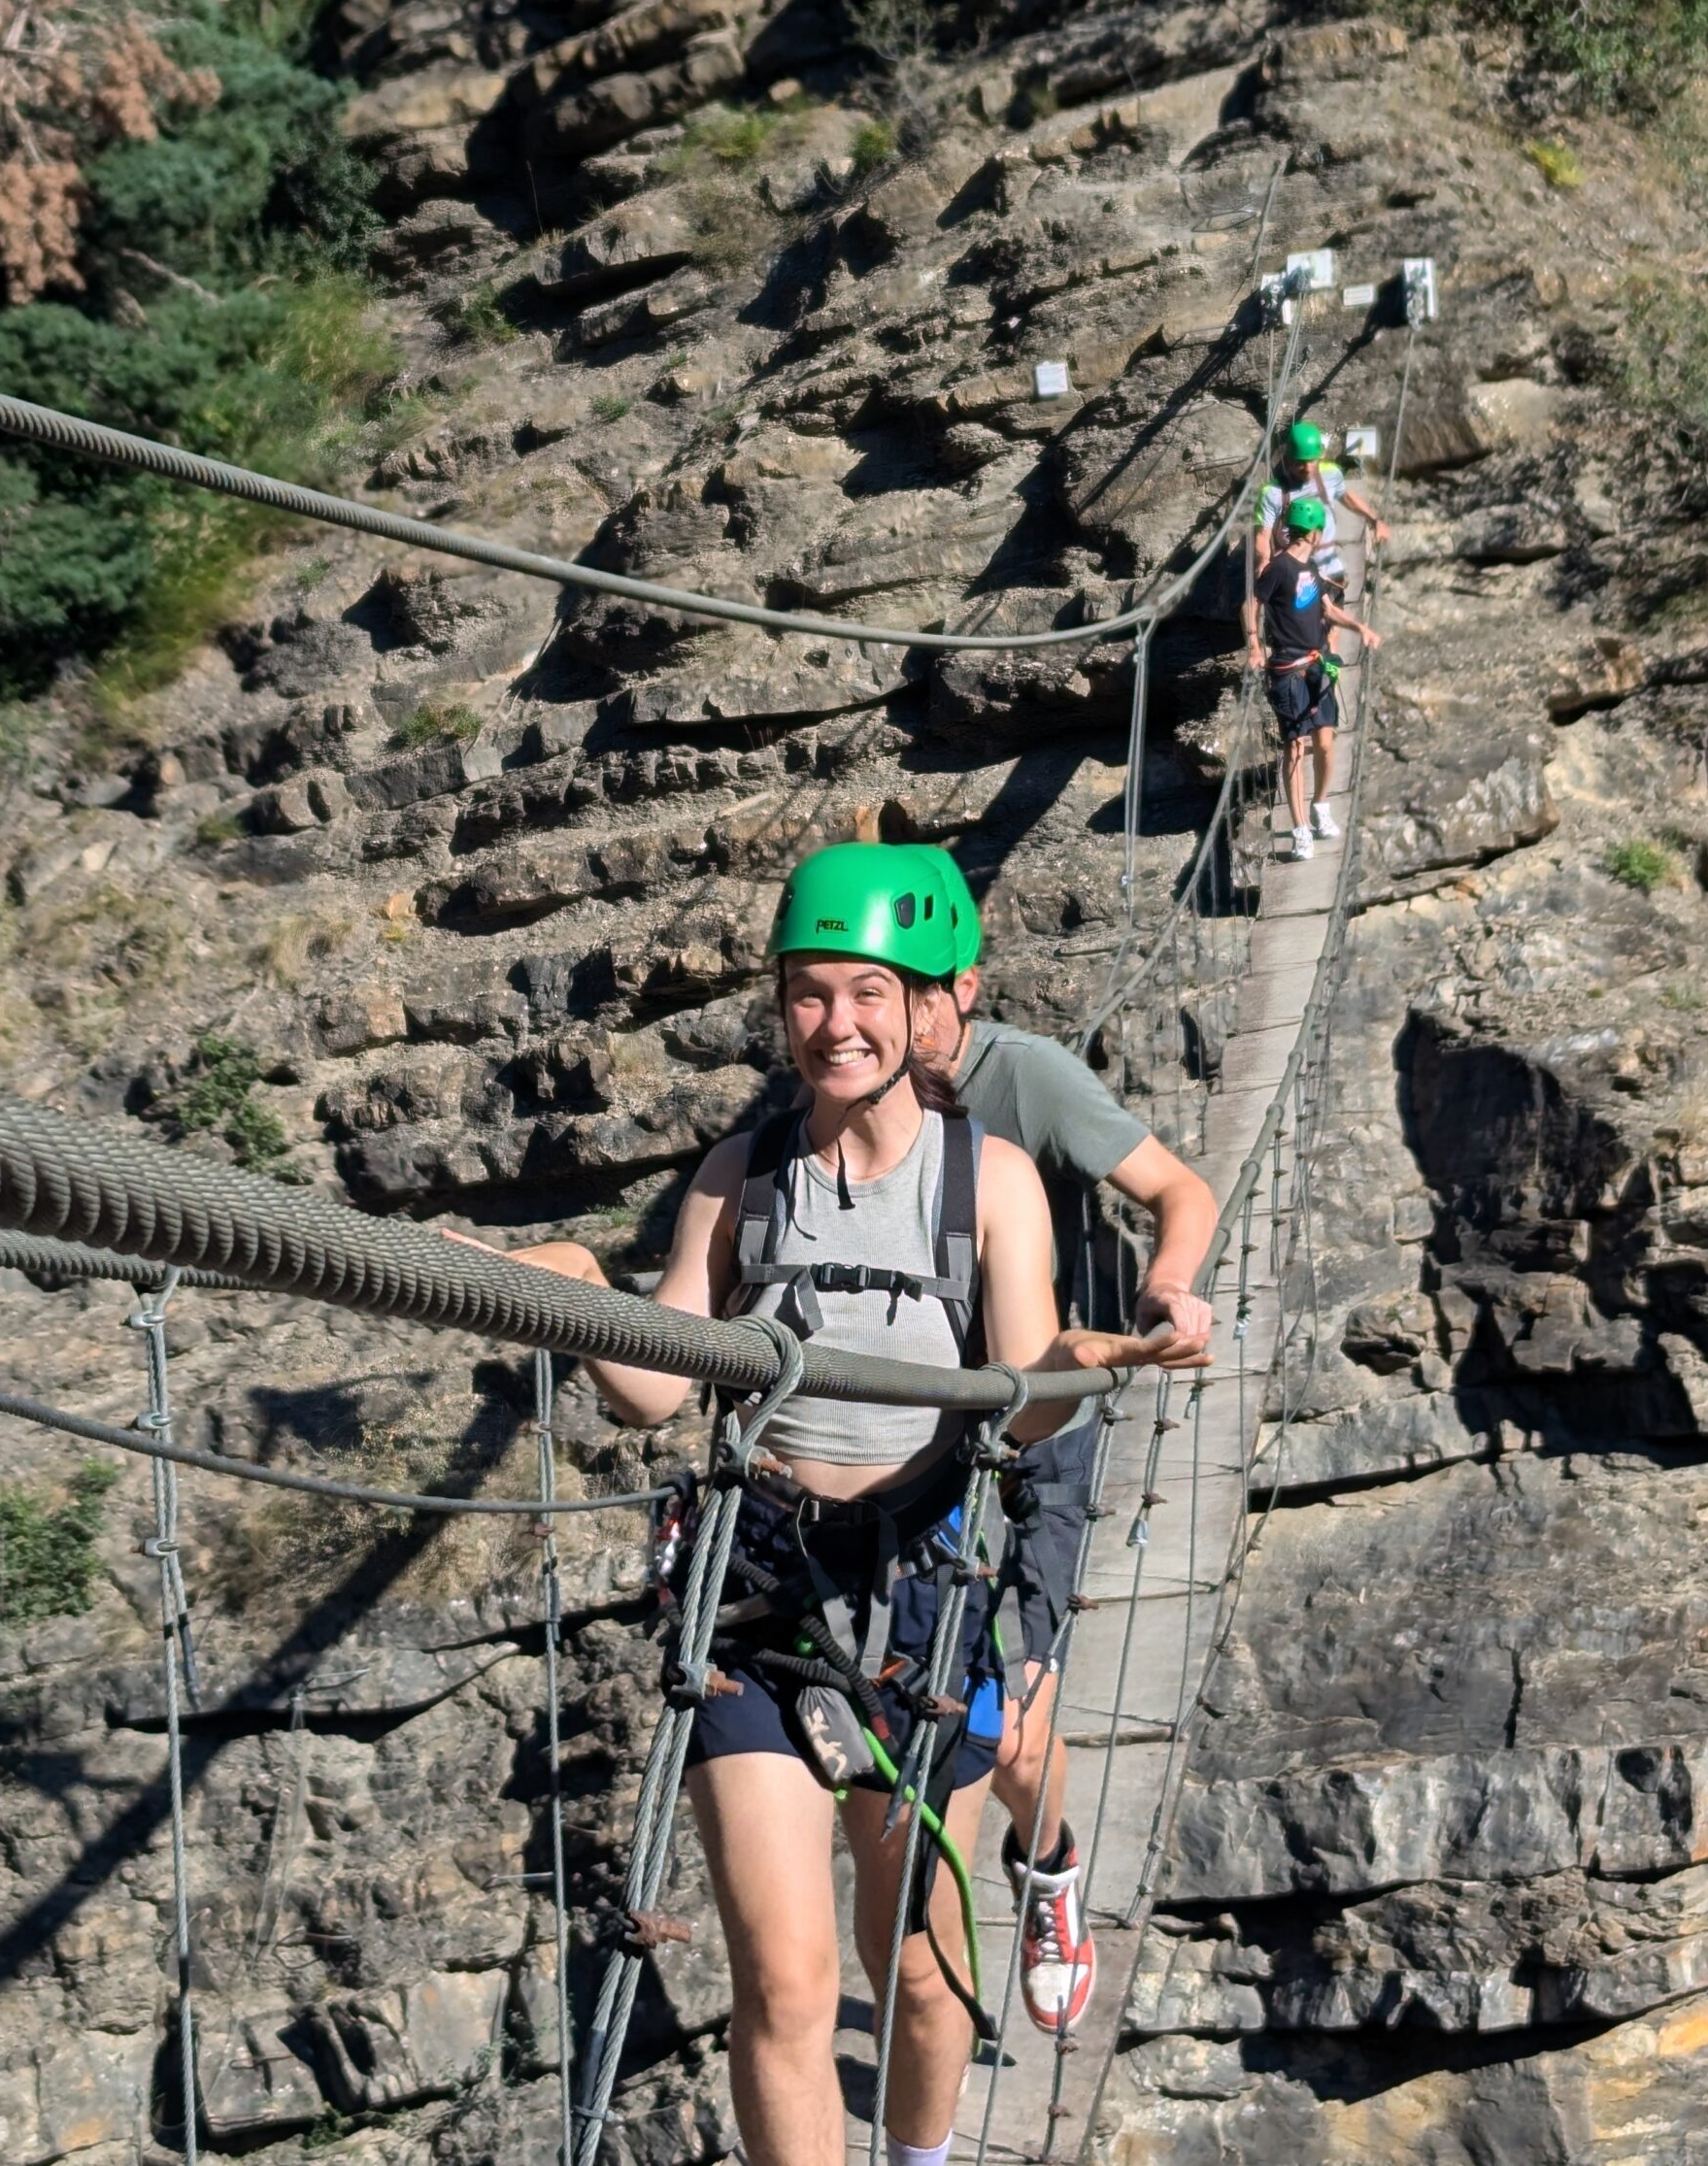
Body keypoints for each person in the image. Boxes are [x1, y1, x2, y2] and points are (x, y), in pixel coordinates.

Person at [573, 842, 1143, 2166]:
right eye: (810, 995)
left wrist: (1084, 1363)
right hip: (759, 1591)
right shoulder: (742, 1174)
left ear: (927, 1004)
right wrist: (559, 1287)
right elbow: (655, 1395)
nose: (835, 1025)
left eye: (867, 994)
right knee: (778, 1988)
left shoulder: (988, 1180)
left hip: (921, 1600)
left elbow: (1024, 1402)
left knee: (923, 1984)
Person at [913, 848, 1216, 2036]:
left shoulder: (1022, 1079)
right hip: (910, 1438)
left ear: (964, 988)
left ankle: (1047, 1875)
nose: (889, 1020)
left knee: (1016, 1728)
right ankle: (936, 2015)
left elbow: (1177, 1191)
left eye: (915, 991)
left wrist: (1167, 1290)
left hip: (1038, 1427)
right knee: (936, 1728)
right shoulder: (827, 1111)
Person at [1245, 496, 1381, 858]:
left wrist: (1359, 627)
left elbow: (1328, 610)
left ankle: (1320, 806)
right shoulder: (1279, 568)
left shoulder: (1310, 568)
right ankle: (1301, 828)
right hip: (1288, 669)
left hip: (1317, 666)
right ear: (1316, 532)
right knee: (1295, 747)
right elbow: (1251, 604)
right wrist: (1254, 646)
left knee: (1324, 741)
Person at [1256, 418, 1390, 603]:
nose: (1307, 468)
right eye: (1300, 463)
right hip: (1297, 575)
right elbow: (1263, 534)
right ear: (1289, 460)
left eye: (1312, 461)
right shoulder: (1272, 492)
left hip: (1330, 568)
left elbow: (1346, 497)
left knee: (1333, 628)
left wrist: (1375, 520)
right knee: (1307, 629)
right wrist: (1264, 560)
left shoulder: (1331, 474)